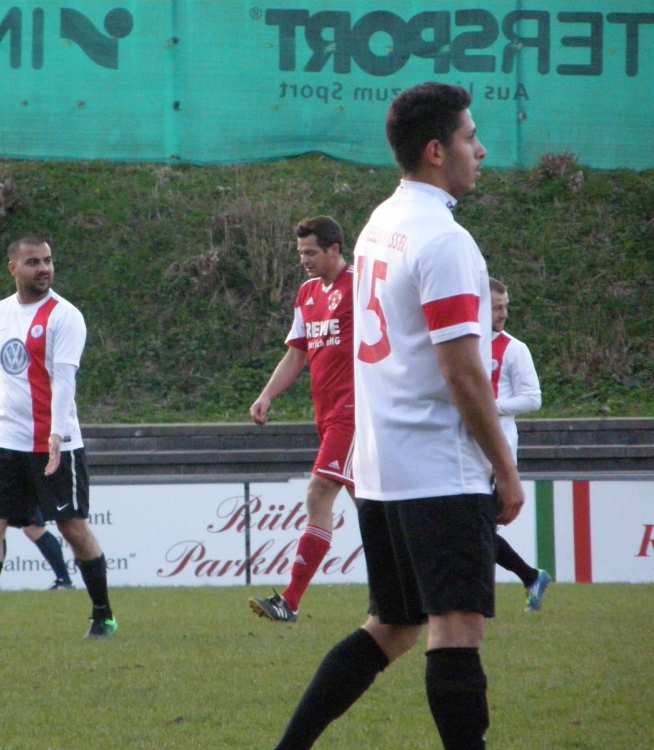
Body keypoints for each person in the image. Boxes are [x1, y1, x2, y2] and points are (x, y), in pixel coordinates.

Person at [272, 83, 524, 750]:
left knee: (393, 625)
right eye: (470, 137)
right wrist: (504, 468)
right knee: (456, 628)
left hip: (382, 470)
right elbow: (463, 371)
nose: (481, 150)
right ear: (438, 150)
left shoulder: (380, 223)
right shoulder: (445, 241)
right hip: (439, 467)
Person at [0, 235, 115, 643]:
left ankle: (103, 615)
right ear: (13, 268)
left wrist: (57, 433)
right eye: (33, 262)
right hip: (5, 441)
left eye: (48, 260)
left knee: (72, 528)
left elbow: (64, 380)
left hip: (53, 443)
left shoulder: (65, 315)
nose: (43, 268)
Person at [248, 216, 354, 623]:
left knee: (318, 492)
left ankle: (289, 601)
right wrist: (267, 395)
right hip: (325, 414)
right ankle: (415, 587)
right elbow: (297, 353)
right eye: (300, 253)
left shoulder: (362, 284)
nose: (304, 260)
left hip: (354, 412)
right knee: (378, 509)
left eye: (311, 252)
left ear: (334, 249)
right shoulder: (308, 293)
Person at [489, 277, 551, 612]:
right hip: (461, 452)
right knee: (473, 530)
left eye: (505, 307)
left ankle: (527, 578)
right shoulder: (460, 346)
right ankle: (530, 577)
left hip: (496, 455)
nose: (503, 314)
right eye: (496, 308)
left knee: (476, 530)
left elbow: (532, 399)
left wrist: (487, 407)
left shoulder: (513, 349)